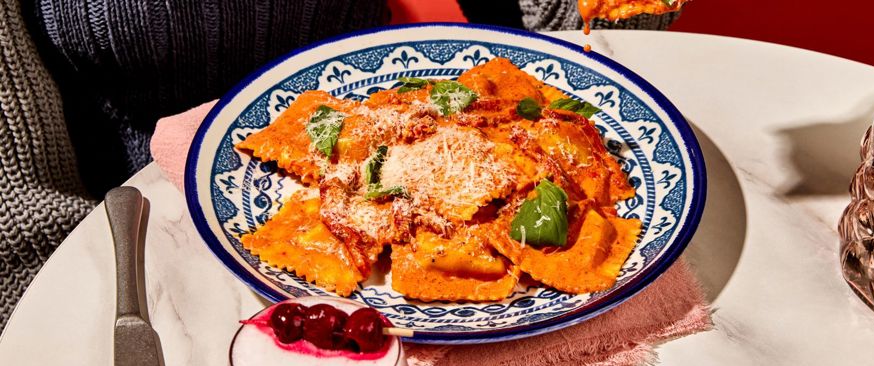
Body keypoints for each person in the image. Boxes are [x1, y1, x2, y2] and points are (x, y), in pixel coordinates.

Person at [0, 0, 679, 329]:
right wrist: (66, 308)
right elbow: (19, 214)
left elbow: (540, 17)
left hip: (375, 103)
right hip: (132, 229)